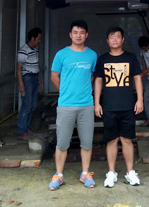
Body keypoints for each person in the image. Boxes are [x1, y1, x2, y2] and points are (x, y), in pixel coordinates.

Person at [48, 20, 98, 191]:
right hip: (66, 105)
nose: (78, 35)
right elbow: (54, 76)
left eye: (82, 32)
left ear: (86, 35)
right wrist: (65, 91)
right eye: (75, 32)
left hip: (86, 105)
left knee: (87, 142)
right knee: (62, 143)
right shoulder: (61, 54)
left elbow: (92, 77)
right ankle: (58, 175)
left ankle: (85, 173)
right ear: (70, 35)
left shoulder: (92, 55)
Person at [94, 26, 143, 188]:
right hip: (109, 106)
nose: (115, 39)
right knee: (111, 140)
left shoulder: (131, 58)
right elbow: (98, 81)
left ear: (123, 40)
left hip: (128, 105)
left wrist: (140, 100)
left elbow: (137, 79)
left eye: (117, 37)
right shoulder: (102, 59)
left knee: (127, 140)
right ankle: (111, 172)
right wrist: (97, 103)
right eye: (111, 37)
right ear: (107, 40)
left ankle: (130, 172)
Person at [16, 27, 43, 140]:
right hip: (27, 79)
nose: (39, 40)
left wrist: (38, 79)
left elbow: (35, 66)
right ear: (32, 38)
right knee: (26, 105)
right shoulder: (24, 50)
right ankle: (21, 130)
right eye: (38, 38)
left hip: (34, 78)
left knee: (33, 106)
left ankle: (27, 128)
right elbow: (19, 69)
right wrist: (21, 84)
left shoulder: (35, 50)